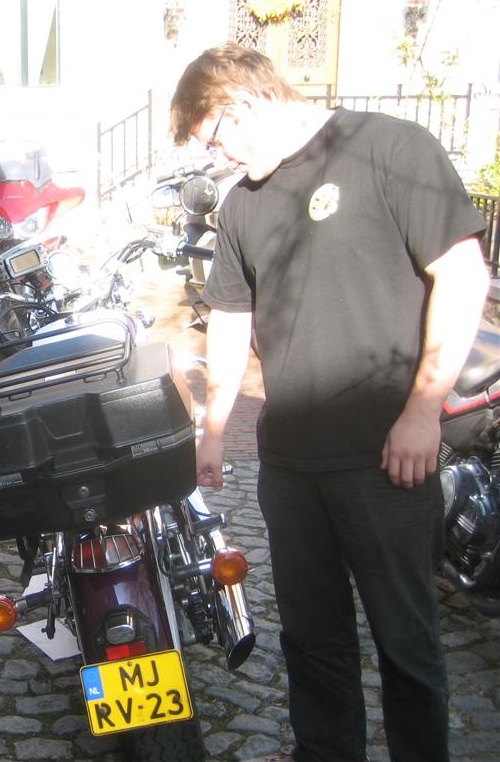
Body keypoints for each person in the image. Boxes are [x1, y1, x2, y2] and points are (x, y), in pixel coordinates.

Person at [170, 43, 488, 762]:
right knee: (312, 641)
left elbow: (461, 275)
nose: (217, 156)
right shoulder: (242, 204)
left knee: (406, 644)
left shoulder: (390, 149)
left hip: (387, 458)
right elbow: (231, 319)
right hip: (291, 467)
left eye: (213, 138)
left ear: (239, 104)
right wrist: (213, 427)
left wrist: (422, 411)